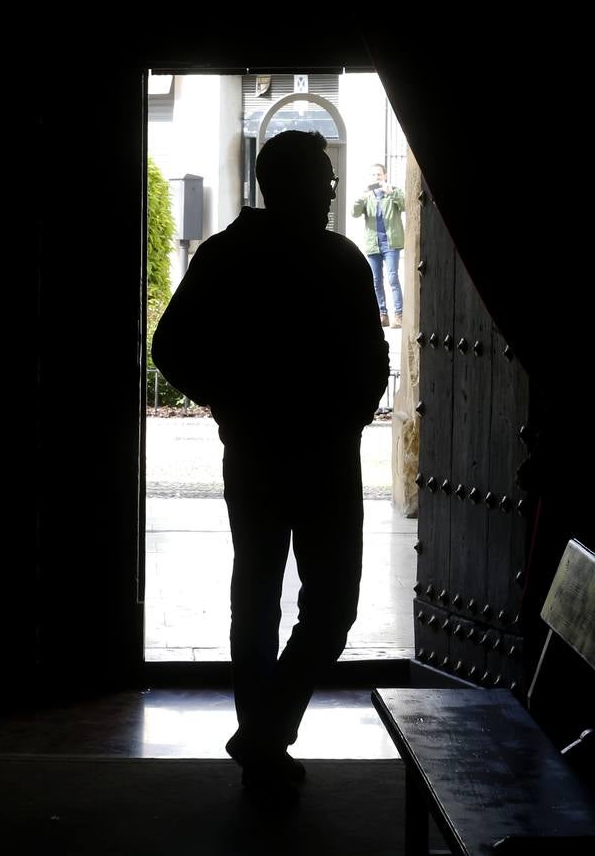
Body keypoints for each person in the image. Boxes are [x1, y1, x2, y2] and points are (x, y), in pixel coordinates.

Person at [151, 130, 389, 802]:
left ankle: (260, 738)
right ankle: (267, 732)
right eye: (325, 175)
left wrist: (226, 400)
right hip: (327, 457)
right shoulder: (340, 260)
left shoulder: (225, 256)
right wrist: (351, 414)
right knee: (332, 605)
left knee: (254, 597)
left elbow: (169, 346)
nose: (335, 187)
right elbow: (372, 362)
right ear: (294, 183)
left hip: (253, 453)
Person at [351, 163, 405, 327]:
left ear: (385, 176)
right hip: (373, 244)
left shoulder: (393, 191)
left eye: (379, 175)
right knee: (376, 280)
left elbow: (404, 205)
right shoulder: (367, 196)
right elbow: (354, 213)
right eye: (374, 175)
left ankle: (399, 314)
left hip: (391, 244)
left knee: (393, 277)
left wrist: (392, 192)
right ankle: (382, 314)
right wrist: (363, 196)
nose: (376, 178)